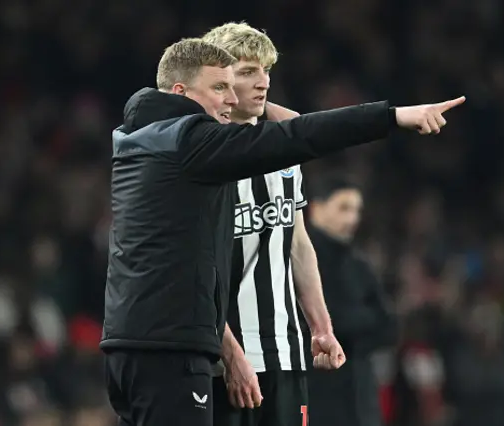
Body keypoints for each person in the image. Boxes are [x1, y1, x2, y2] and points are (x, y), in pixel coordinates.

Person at [101, 37, 465, 426]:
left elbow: (294, 232)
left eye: (262, 74)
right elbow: (298, 135)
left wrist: (320, 325)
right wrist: (393, 117)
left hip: (168, 342)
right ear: (181, 92)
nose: (246, 90)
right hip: (186, 348)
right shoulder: (199, 149)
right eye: (224, 85)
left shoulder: (142, 140)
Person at [202, 22, 342, 426]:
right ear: (222, 82)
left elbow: (297, 243)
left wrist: (320, 327)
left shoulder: (283, 150)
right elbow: (196, 266)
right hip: (223, 357)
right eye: (248, 72)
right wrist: (228, 352)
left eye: (266, 71)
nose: (262, 83)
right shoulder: (203, 158)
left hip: (287, 348)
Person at [303, 179, 397, 426]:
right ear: (317, 209)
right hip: (318, 394)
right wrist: (360, 322)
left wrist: (346, 325)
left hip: (360, 395)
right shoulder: (300, 263)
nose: (352, 218)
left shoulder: (359, 265)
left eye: (356, 210)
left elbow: (388, 327)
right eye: (344, 208)